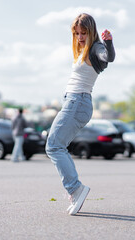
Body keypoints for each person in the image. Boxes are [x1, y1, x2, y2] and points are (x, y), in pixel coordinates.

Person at [45, 13, 115, 215]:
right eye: (76, 33)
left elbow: (108, 57)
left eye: (83, 33)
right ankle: (75, 189)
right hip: (74, 102)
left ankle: (75, 189)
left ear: (91, 32)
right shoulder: (83, 49)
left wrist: (109, 43)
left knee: (54, 145)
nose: (80, 37)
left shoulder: (96, 48)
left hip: (78, 102)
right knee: (57, 146)